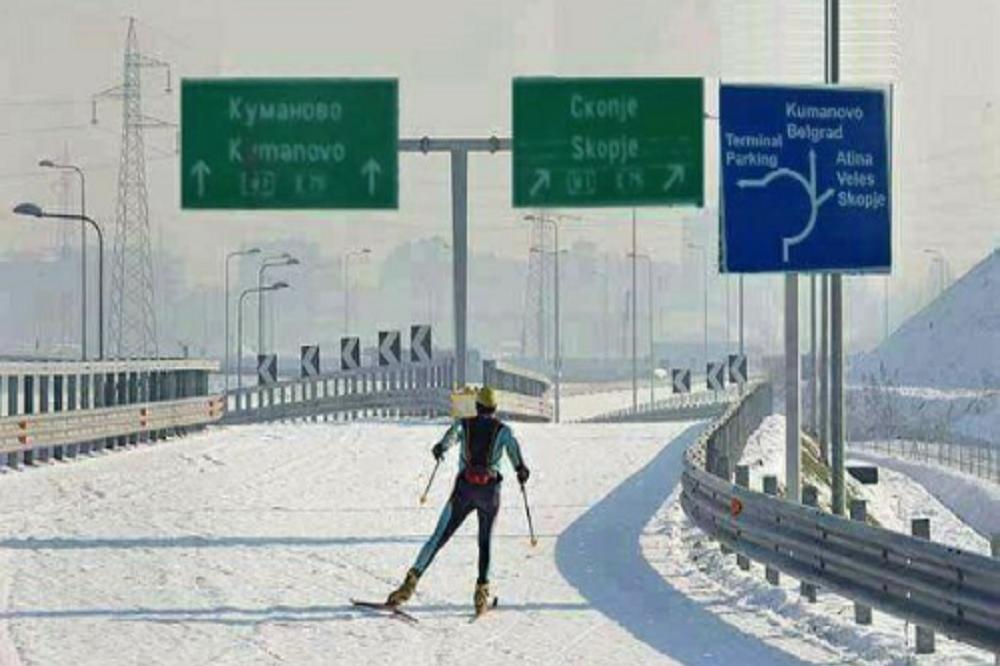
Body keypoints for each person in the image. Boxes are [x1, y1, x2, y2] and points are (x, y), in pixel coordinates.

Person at [386, 386, 530, 615]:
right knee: (485, 542)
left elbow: (449, 439)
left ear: (477, 406)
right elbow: (515, 456)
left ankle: (408, 584)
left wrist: (441, 448)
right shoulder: (503, 430)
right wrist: (521, 471)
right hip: (489, 494)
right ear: (495, 408)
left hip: (464, 490)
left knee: (438, 537)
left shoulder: (465, 424)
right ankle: (481, 594)